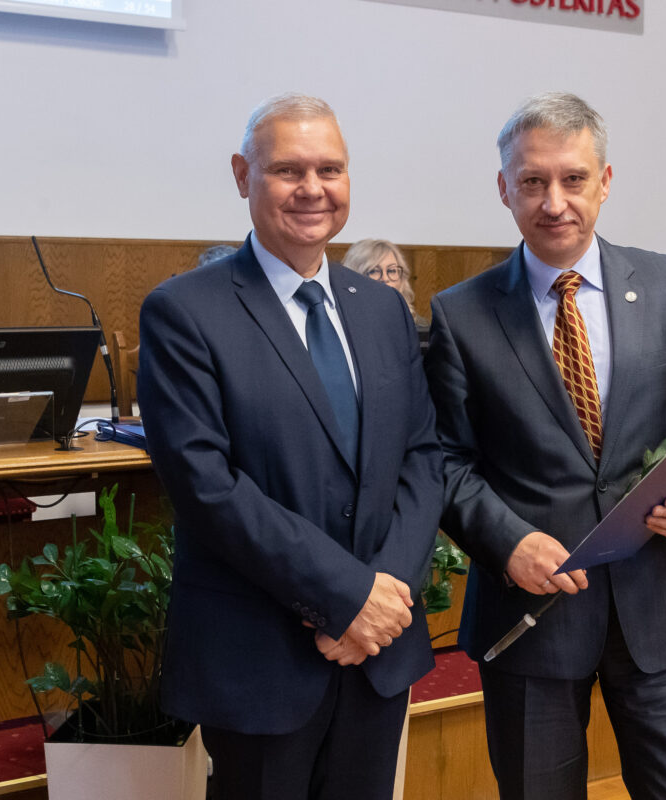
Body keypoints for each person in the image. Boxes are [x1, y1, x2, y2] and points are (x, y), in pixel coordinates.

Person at [425, 92, 666, 800]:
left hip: (660, 612)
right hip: (532, 617)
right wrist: (508, 542)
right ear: (504, 187)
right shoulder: (461, 315)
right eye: (533, 181)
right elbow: (443, 460)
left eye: (573, 179)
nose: (554, 202)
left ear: (605, 181)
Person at [137, 93, 443, 800]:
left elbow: (423, 459)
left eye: (330, 169)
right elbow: (207, 487)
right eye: (288, 170)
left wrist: (383, 599)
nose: (313, 189)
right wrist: (346, 597)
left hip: (378, 652)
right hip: (259, 660)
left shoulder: (384, 310)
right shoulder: (185, 311)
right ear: (243, 175)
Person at [343, 239, 422, 324]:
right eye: (374, 271)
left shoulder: (418, 325)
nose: (385, 278)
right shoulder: (342, 324)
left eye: (391, 271)